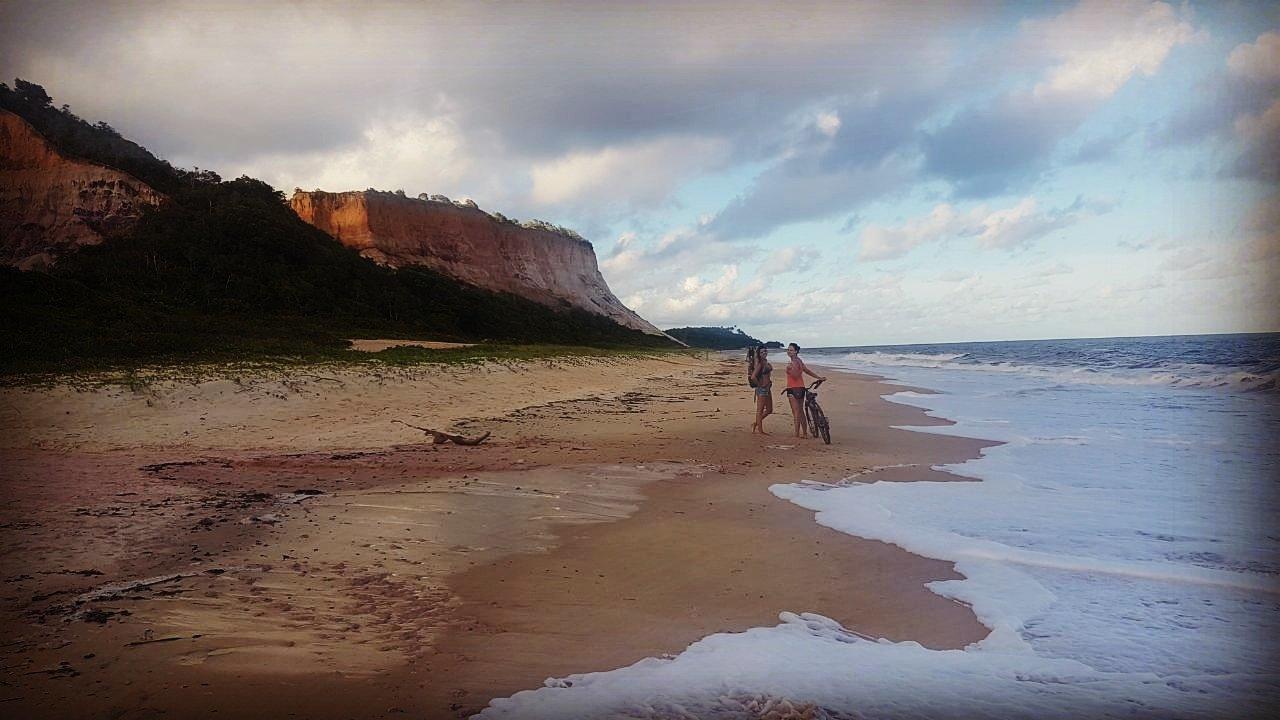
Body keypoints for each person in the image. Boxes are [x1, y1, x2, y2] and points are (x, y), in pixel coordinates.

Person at [781, 343, 826, 438]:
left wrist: (789, 370)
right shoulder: (799, 361)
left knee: (796, 412)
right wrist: (819, 377)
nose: (789, 352)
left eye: (791, 350)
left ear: (796, 351)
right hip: (801, 388)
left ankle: (797, 434)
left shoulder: (793, 363)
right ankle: (805, 433)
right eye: (788, 350)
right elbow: (807, 371)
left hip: (792, 389)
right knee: (800, 411)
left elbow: (795, 375)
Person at [748, 345, 773, 434]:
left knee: (769, 410)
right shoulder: (760, 363)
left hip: (767, 388)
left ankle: (755, 424)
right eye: (762, 352)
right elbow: (753, 376)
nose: (764, 353)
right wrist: (760, 385)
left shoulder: (765, 362)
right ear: (759, 353)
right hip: (762, 389)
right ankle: (760, 430)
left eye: (765, 351)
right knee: (760, 410)